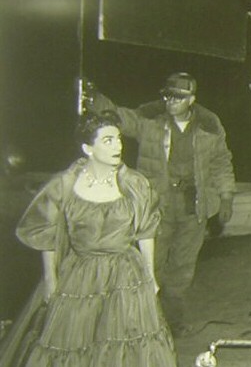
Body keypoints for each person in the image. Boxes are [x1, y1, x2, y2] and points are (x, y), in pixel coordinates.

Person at [6, 111, 180, 367]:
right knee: (78, 342)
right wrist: (51, 277)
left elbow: (147, 232)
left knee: (120, 344)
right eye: (107, 140)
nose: (117, 146)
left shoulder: (134, 183)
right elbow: (46, 235)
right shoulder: (66, 183)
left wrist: (150, 276)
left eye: (118, 139)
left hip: (124, 273)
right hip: (81, 272)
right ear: (88, 147)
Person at [91, 72, 236, 336]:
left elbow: (221, 162)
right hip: (158, 206)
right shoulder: (149, 120)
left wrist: (226, 196)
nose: (170, 101)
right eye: (167, 95)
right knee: (151, 264)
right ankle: (145, 321)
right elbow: (118, 118)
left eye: (178, 97)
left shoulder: (209, 126)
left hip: (194, 207)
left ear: (192, 99)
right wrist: (95, 98)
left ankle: (174, 322)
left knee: (182, 268)